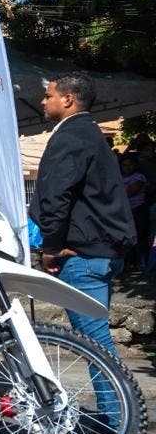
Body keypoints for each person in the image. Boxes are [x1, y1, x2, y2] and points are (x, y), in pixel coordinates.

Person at [33, 73, 135, 366]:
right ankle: (117, 411)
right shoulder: (91, 134)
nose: (43, 100)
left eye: (48, 95)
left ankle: (120, 413)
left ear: (67, 99)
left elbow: (56, 195)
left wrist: (50, 247)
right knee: (96, 344)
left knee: (95, 347)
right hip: (100, 250)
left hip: (83, 254)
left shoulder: (71, 135)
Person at [119, 152, 149, 271]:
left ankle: (141, 262)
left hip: (137, 209)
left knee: (140, 237)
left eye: (130, 165)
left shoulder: (139, 177)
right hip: (123, 211)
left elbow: (129, 192)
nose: (127, 167)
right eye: (124, 165)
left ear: (135, 165)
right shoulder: (118, 177)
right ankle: (128, 263)